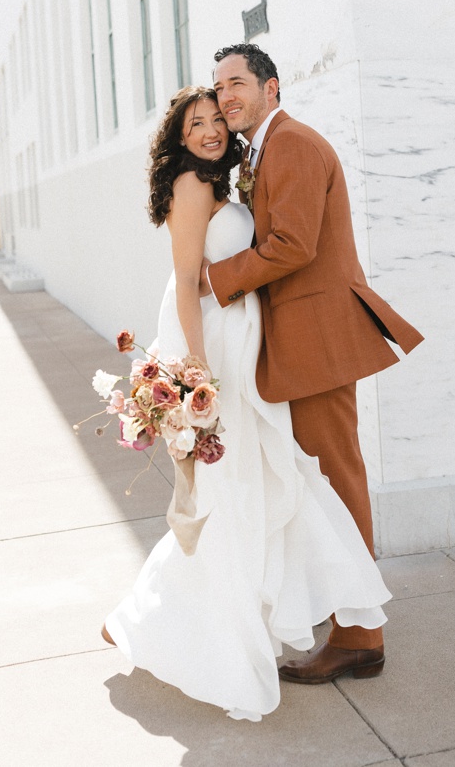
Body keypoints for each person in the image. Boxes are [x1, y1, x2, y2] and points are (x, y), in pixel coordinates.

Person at [102, 85, 393, 721]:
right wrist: (196, 371)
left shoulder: (249, 167)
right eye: (197, 122)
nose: (211, 127)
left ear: (268, 89)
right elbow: (186, 286)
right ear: (177, 140)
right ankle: (163, 616)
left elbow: (277, 250)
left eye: (217, 114)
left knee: (257, 484)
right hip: (222, 360)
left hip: (251, 352)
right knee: (234, 488)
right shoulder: (192, 186)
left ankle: (341, 624)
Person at [202, 43, 424, 683]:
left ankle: (359, 635)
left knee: (335, 481)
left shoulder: (293, 144)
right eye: (219, 88)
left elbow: (293, 245)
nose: (226, 97)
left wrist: (214, 283)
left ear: (273, 87)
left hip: (318, 339)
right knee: (323, 481)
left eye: (237, 83)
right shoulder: (263, 150)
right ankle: (348, 621)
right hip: (300, 342)